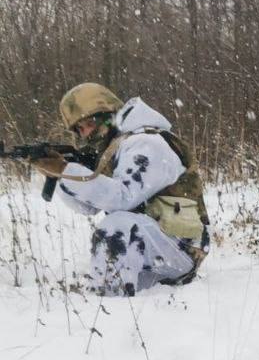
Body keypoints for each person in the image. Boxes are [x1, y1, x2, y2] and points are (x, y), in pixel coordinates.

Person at [33, 83, 210, 296]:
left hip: (183, 247)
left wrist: (66, 170)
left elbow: (123, 197)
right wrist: (60, 175)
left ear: (105, 116)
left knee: (117, 226)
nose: (84, 133)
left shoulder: (147, 142)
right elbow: (87, 207)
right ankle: (109, 294)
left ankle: (109, 304)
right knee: (119, 226)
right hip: (153, 247)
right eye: (79, 129)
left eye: (87, 124)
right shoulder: (117, 147)